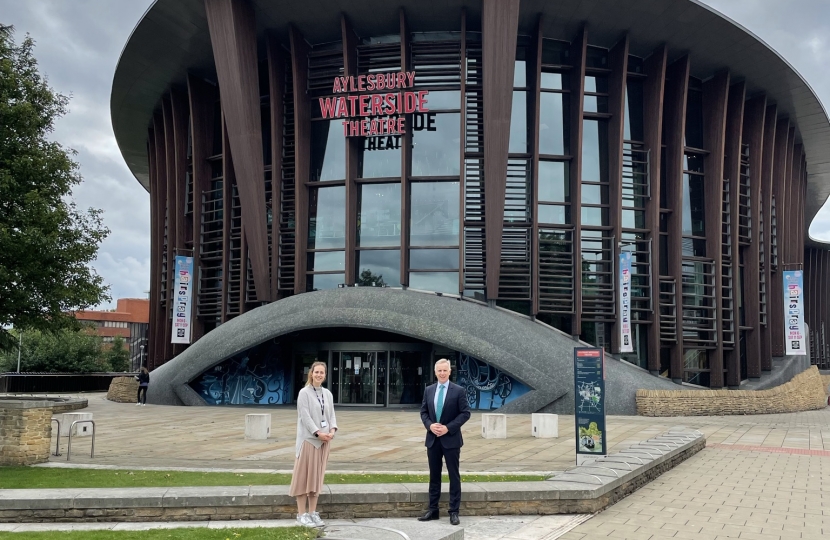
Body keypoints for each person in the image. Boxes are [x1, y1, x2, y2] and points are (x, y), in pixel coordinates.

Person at [418, 358, 470, 526]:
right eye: (439, 370)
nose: (442, 373)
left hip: (451, 439)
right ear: (435, 372)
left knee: (454, 476)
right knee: (434, 476)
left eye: (444, 370)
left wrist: (448, 428)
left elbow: (465, 413)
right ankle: (433, 510)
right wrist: (429, 425)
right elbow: (424, 412)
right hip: (433, 439)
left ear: (449, 371)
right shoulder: (429, 390)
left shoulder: (459, 391)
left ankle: (454, 511)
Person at [289, 361, 338, 528]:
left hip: (324, 442)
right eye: (316, 372)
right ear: (311, 373)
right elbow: (305, 416)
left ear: (325, 375)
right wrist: (318, 433)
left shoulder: (328, 394)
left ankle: (312, 513)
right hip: (309, 441)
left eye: (322, 373)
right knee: (304, 478)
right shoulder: (304, 393)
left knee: (316, 479)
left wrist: (332, 430)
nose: (319, 375)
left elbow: (331, 415)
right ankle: (301, 514)